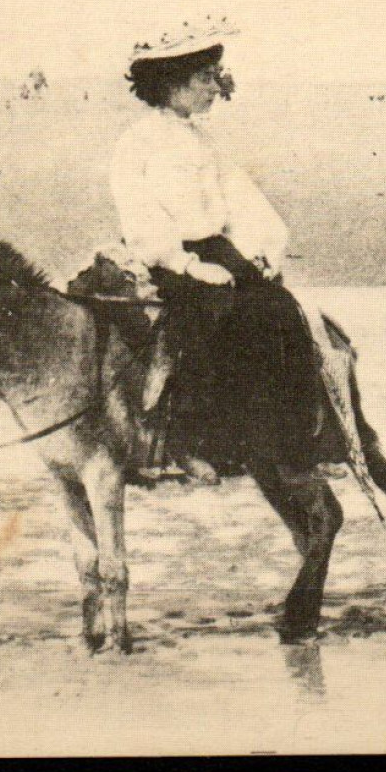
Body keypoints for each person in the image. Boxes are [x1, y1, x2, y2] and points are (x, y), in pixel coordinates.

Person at [109, 36, 313, 486]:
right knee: (214, 313)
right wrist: (185, 265)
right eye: (204, 79)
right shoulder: (138, 142)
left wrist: (260, 248)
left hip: (217, 248)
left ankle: (290, 439)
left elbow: (238, 199)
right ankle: (189, 442)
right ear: (172, 85)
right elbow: (140, 214)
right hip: (169, 257)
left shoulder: (202, 139)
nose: (214, 88)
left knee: (278, 308)